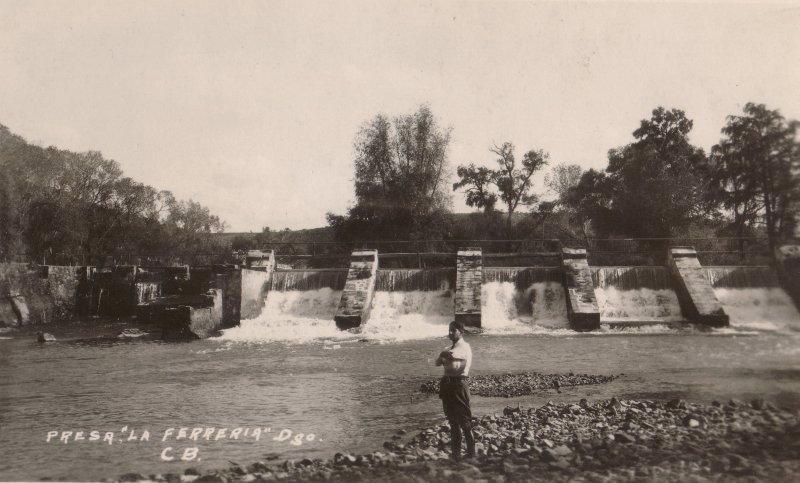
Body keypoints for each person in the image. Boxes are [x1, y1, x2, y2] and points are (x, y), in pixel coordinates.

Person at [435, 320, 475, 461]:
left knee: (464, 421)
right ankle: (456, 455)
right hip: (447, 385)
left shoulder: (465, 347)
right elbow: (437, 362)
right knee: (452, 421)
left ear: (461, 331)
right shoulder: (448, 348)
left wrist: (445, 356)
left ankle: (471, 454)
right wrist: (443, 355)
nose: (450, 333)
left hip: (459, 384)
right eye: (449, 330)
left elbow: (454, 362)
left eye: (453, 330)